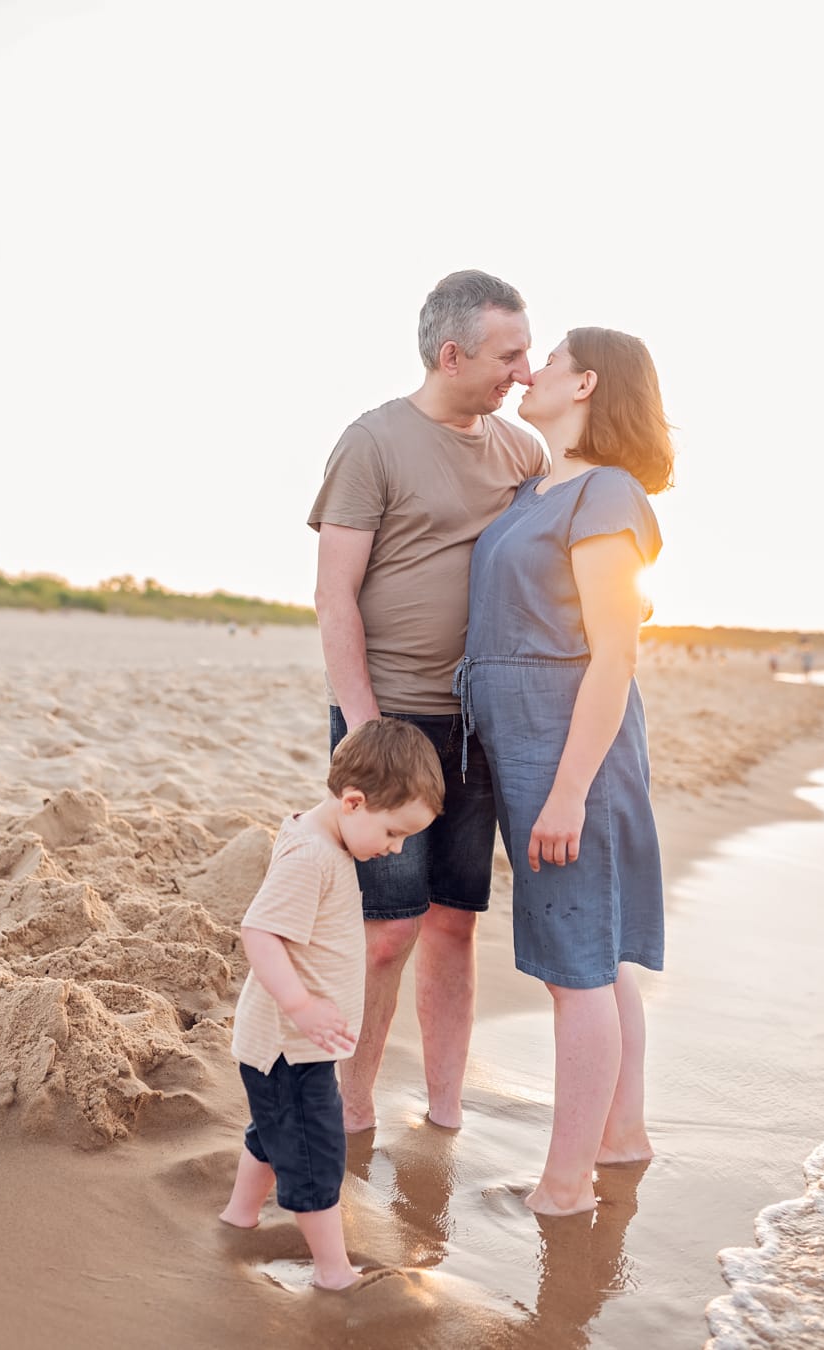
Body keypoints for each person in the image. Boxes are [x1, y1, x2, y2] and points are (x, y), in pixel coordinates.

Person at [308, 270, 547, 1133]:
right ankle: (353, 1107)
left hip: (481, 722)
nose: (523, 373)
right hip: (389, 719)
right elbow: (335, 596)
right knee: (387, 931)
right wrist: (365, 728)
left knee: (453, 924)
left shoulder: (524, 453)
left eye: (527, 353)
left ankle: (446, 1113)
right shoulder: (372, 441)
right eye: (508, 355)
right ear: (451, 354)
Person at [454, 326, 674, 1216]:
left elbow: (615, 655)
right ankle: (621, 1136)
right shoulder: (536, 488)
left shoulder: (607, 492)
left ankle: (566, 1186)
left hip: (570, 749)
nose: (529, 372)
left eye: (546, 361)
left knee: (574, 963)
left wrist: (571, 791)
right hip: (523, 740)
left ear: (585, 383)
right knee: (598, 953)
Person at [220, 718, 444, 1288]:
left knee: (272, 1132)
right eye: (393, 832)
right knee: (317, 1153)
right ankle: (333, 1271)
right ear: (353, 801)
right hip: (287, 1046)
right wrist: (301, 1006)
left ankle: (240, 1215)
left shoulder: (324, 838)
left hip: (294, 1046)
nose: (395, 848)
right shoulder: (312, 857)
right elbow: (259, 932)